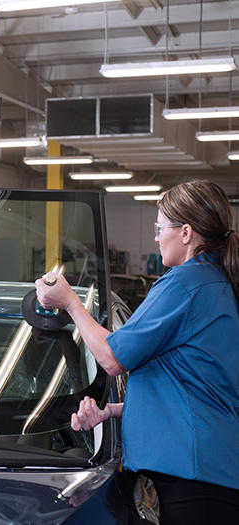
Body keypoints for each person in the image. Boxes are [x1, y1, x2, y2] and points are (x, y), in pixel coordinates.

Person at [36, 180, 239, 524]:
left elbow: (112, 358)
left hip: (194, 477)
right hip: (208, 472)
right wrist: (111, 411)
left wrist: (70, 302)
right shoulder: (214, 284)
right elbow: (187, 389)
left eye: (160, 228)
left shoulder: (184, 284)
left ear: (186, 233)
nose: (156, 237)